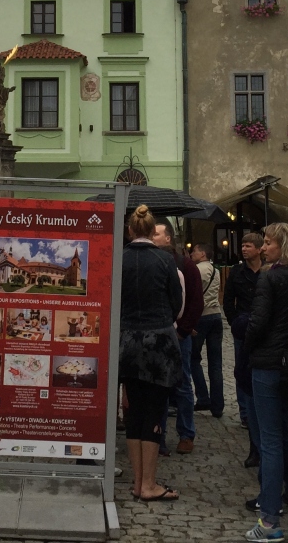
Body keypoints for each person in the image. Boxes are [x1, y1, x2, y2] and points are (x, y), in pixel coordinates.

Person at [243, 222, 288, 542]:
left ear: (283, 245)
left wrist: (247, 348)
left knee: (269, 440)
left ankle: (269, 518)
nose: (264, 247)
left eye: (269, 242)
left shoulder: (270, 277)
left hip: (268, 361)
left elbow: (258, 321)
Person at [119, 205, 183, 502]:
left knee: (133, 411)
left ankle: (137, 482)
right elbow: (176, 303)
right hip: (158, 342)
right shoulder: (165, 260)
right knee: (155, 411)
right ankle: (149, 483)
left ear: (130, 230)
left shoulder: (119, 258)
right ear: (151, 230)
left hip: (127, 341)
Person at [152, 222, 202, 454]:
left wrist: (182, 331)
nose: (152, 237)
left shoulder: (186, 265)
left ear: (168, 238)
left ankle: (186, 434)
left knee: (182, 386)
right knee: (158, 387)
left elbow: (195, 302)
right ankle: (158, 436)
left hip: (179, 336)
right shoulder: (151, 261)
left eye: (156, 234)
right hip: (157, 334)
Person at [225, 230, 265, 466]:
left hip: (262, 331)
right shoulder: (237, 272)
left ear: (259, 249)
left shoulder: (268, 272)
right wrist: (234, 323)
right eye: (243, 245)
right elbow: (228, 300)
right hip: (243, 329)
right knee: (242, 374)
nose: (244, 249)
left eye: (249, 245)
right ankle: (246, 416)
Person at [190, 243, 225, 418]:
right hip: (216, 315)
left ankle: (203, 397)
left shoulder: (198, 270)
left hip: (201, 317)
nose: (191, 254)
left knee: (193, 358)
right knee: (216, 364)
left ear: (203, 253)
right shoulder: (215, 271)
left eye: (195, 251)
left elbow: (192, 294)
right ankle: (218, 405)